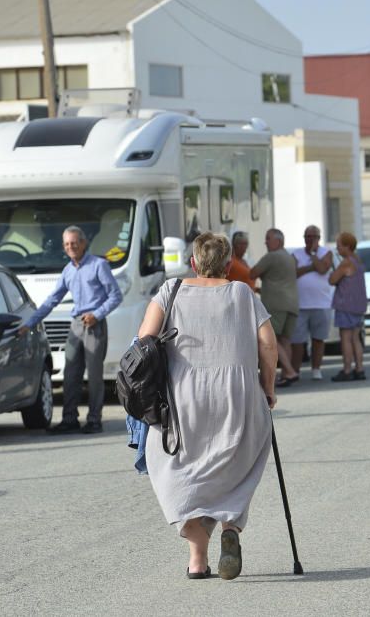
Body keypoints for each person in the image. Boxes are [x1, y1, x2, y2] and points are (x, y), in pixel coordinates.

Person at [138, 232, 277, 581]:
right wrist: (268, 387)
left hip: (183, 395)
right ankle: (230, 527)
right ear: (229, 265)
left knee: (174, 467)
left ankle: (197, 557)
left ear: (194, 263)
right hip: (239, 393)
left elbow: (143, 341)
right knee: (236, 467)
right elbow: (268, 344)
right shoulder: (242, 292)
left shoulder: (171, 290)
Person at [25, 226, 122, 434]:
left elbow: (115, 295)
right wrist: (30, 322)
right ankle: (70, 419)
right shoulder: (68, 270)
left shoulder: (98, 265)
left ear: (83, 243)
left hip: (94, 323)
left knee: (95, 376)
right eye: (67, 244)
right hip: (75, 324)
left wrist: (97, 314)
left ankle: (94, 420)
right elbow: (53, 299)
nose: (71, 247)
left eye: (74, 243)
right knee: (70, 373)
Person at [249, 228, 299, 387]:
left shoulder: (272, 256)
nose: (266, 242)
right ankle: (287, 374)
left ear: (279, 241)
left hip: (276, 304)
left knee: (273, 339)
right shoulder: (290, 257)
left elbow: (252, 273)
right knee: (285, 340)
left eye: (268, 238)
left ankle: (289, 371)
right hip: (292, 304)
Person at [290, 225, 334, 380]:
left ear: (318, 238)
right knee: (297, 341)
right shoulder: (296, 254)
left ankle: (316, 369)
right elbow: (293, 273)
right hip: (301, 304)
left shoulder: (326, 252)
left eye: (313, 236)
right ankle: (295, 371)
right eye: (307, 236)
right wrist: (311, 267)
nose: (309, 239)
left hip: (321, 304)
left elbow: (322, 269)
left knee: (318, 339)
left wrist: (314, 255)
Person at [328, 232, 367, 381]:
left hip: (346, 304)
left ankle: (346, 370)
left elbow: (332, 280)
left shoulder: (346, 262)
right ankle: (359, 368)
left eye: (339, 246)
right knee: (356, 338)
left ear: (347, 246)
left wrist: (333, 268)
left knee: (346, 338)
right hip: (358, 305)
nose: (337, 249)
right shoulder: (357, 260)